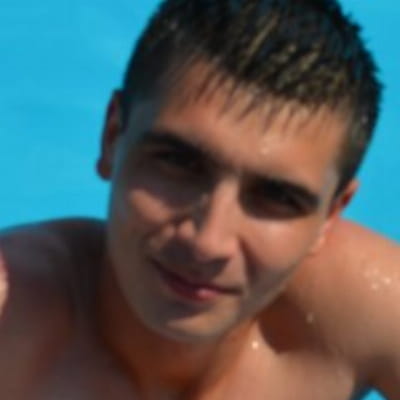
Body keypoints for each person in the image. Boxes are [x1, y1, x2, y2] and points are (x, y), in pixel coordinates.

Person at [0, 0, 399, 398]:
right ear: (112, 138)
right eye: (178, 163)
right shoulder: (12, 319)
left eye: (276, 197)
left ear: (330, 215)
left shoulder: (363, 312)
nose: (208, 243)